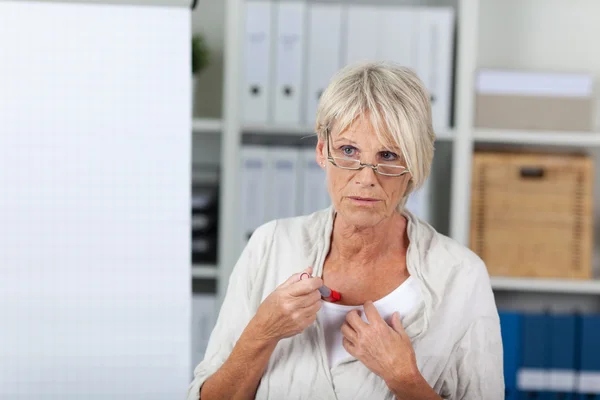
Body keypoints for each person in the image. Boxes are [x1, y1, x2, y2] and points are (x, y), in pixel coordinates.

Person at [187, 62, 504, 400]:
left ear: (414, 165)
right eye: (349, 151)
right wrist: (262, 333)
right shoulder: (270, 246)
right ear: (323, 151)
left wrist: (405, 379)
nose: (366, 177)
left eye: (389, 155)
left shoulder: (461, 277)